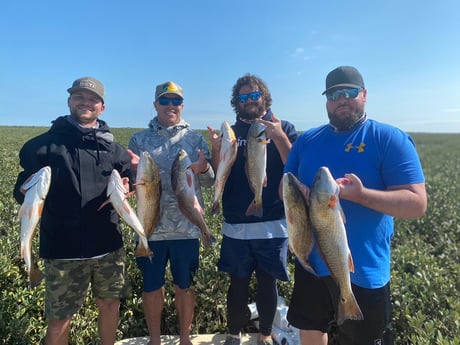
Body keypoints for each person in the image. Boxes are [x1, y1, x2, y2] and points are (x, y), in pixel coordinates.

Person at [284, 66, 427, 345]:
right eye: (334, 94)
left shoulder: (389, 139)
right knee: (311, 330)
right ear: (327, 101)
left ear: (364, 95)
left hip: (363, 271)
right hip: (312, 264)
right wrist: (297, 192)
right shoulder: (307, 140)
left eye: (349, 92)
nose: (342, 100)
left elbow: (417, 204)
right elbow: (284, 184)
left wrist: (361, 195)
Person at [13, 77, 133, 345]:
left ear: (102, 108)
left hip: (108, 245)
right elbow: (21, 187)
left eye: (93, 99)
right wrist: (23, 190)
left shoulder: (114, 150)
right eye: (80, 97)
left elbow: (128, 182)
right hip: (62, 248)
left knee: (110, 305)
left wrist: (130, 183)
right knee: (59, 319)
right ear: (69, 101)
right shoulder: (42, 146)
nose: (85, 103)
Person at [207, 73, 298, 345]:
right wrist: (215, 148)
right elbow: (218, 172)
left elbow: (296, 165)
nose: (249, 101)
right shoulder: (231, 133)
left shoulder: (284, 127)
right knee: (237, 282)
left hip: (273, 222)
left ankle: (266, 334)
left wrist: (279, 136)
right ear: (237, 102)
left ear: (264, 98)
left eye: (254, 95)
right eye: (243, 97)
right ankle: (234, 333)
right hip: (237, 222)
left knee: (268, 283)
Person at [127, 81, 215, 345]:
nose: (170, 106)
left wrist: (203, 169)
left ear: (182, 106)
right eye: (164, 101)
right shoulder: (139, 140)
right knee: (152, 288)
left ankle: (185, 339)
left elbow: (209, 180)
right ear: (155, 105)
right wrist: (129, 173)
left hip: (187, 229)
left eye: (175, 101)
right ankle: (155, 339)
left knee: (185, 287)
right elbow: (131, 184)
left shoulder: (195, 139)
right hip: (149, 228)